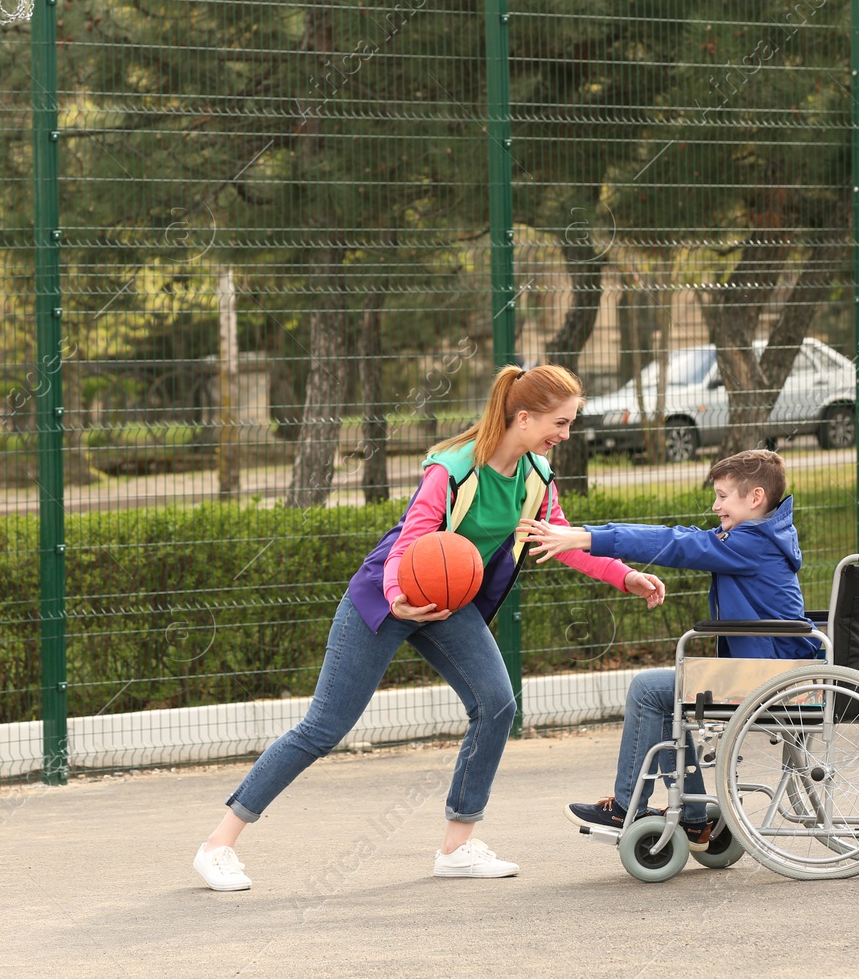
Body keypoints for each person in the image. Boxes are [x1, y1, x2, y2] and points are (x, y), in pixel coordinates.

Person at [192, 364, 669, 891]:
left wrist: (625, 576)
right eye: (560, 423)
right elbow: (410, 540)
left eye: (570, 423)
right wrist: (398, 598)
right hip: (386, 597)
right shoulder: (452, 469)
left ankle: (458, 846)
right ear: (525, 417)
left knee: (497, 703)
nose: (566, 435)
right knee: (323, 728)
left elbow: (558, 539)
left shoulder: (536, 478)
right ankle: (218, 845)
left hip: (447, 601)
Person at [517, 448, 811, 849]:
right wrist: (592, 538)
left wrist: (586, 537)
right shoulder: (761, 536)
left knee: (651, 690)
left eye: (723, 495)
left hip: (768, 676)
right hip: (770, 667)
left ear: (755, 498)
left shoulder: (753, 543)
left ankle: (627, 808)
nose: (716, 504)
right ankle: (690, 820)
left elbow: (675, 544)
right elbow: (686, 537)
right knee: (668, 694)